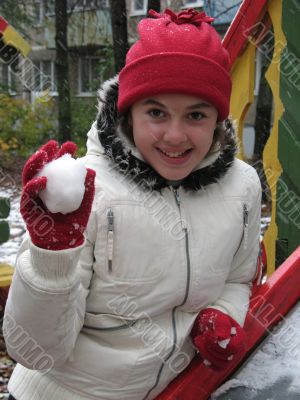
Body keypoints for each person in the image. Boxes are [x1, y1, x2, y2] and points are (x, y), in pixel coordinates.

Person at [4, 8, 262, 400]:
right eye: (156, 112)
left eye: (196, 114)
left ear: (218, 120)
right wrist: (50, 259)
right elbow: (35, 352)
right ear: (128, 113)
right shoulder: (84, 194)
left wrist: (223, 312)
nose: (175, 136)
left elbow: (238, 277)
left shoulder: (241, 186)